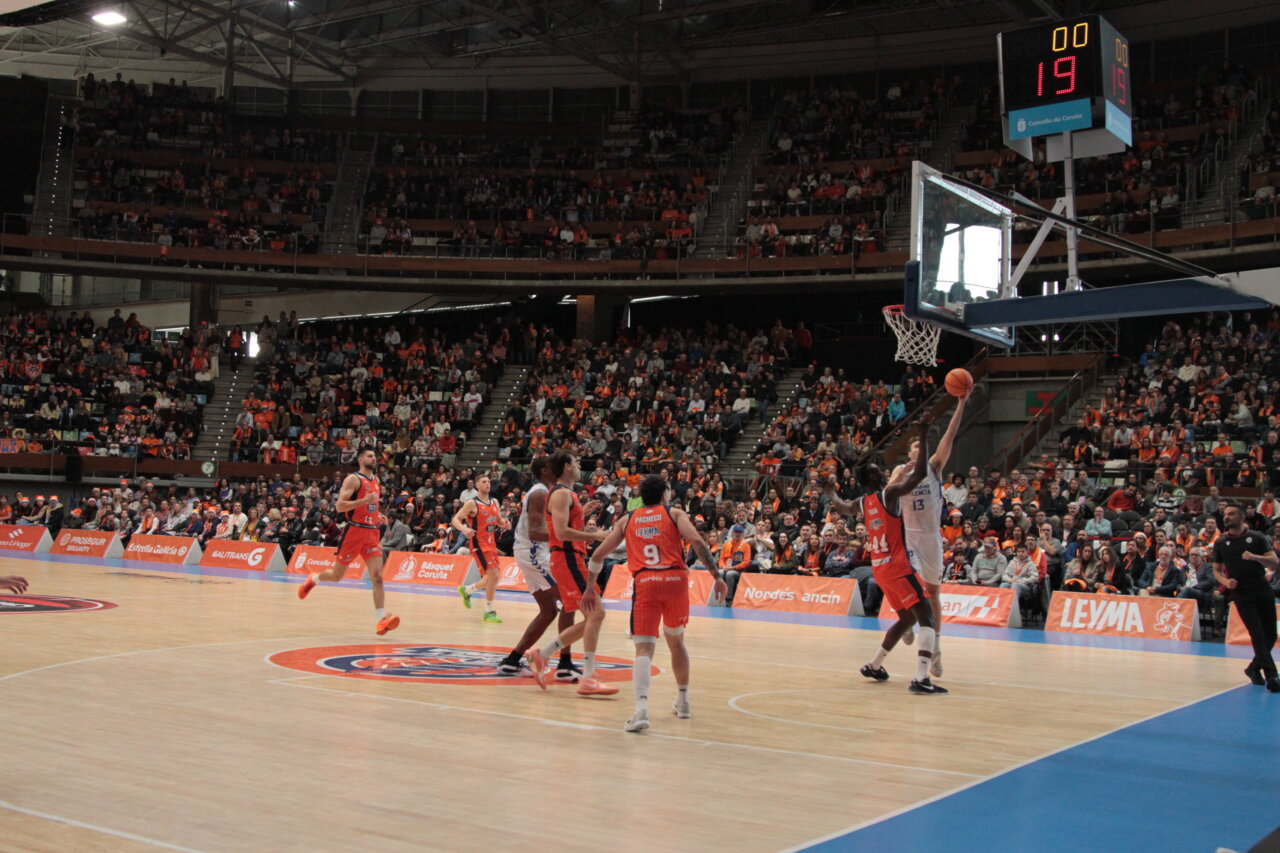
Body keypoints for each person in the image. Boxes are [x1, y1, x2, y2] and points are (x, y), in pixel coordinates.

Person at [583, 474, 728, 732]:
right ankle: (683, 701)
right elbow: (696, 541)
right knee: (676, 641)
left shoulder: (627, 519)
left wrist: (590, 588)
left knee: (644, 649)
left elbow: (597, 555)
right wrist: (716, 575)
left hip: (646, 583)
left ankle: (641, 710)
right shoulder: (674, 514)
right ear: (665, 494)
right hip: (675, 580)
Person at [830, 415, 945, 693]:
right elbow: (919, 474)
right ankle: (921, 678)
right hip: (897, 565)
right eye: (877, 473)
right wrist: (925, 433)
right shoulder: (889, 494)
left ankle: (875, 664)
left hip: (880, 569)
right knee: (926, 616)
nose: (883, 474)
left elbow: (841, 506)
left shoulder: (863, 502)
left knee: (906, 618)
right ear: (873, 478)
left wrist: (827, 492)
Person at [887, 387, 969, 676]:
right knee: (904, 584)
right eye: (915, 449)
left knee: (933, 595)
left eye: (922, 448)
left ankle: (936, 649)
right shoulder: (901, 471)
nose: (919, 451)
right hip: (908, 535)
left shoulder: (934, 466)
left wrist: (962, 402)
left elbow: (949, 435)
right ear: (909, 453)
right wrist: (898, 476)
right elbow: (887, 495)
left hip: (931, 538)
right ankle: (905, 619)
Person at [525, 451, 616, 697]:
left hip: (570, 559)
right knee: (596, 614)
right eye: (575, 462)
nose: (578, 466)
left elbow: (565, 526)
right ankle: (588, 678)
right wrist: (595, 535)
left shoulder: (567, 495)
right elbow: (562, 533)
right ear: (566, 467)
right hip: (566, 559)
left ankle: (542, 655)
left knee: (593, 617)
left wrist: (581, 513)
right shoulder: (562, 494)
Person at [296, 446, 398, 636]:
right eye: (369, 456)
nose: (373, 459)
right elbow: (340, 506)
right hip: (354, 532)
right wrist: (364, 500)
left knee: (377, 576)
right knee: (337, 575)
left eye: (374, 456)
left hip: (371, 533)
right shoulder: (353, 479)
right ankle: (314, 579)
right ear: (360, 460)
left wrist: (378, 515)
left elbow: (369, 505)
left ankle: (380, 621)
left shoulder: (375, 480)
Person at [495, 456, 579, 681]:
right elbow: (535, 532)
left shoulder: (545, 491)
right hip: (533, 552)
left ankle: (512, 661)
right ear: (544, 470)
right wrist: (568, 535)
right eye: (554, 465)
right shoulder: (541, 492)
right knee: (570, 602)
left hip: (532, 553)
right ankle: (565, 664)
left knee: (550, 611)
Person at [1212, 503, 1280, 691]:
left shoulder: (1256, 537)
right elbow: (1216, 571)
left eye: (1231, 514)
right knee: (1257, 635)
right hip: (1241, 593)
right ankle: (1273, 676)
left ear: (1242, 517)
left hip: (1262, 589)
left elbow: (1274, 562)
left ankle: (1252, 668)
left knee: (1271, 635)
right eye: (1225, 514)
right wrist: (1226, 583)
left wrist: (1255, 557)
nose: (1226, 517)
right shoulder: (1220, 542)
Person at [452, 473, 510, 623]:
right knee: (492, 574)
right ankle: (489, 611)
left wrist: (504, 523)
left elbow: (497, 521)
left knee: (494, 577)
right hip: (479, 544)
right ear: (477, 485)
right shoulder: (472, 503)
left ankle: (468, 590)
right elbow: (455, 519)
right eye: (483, 481)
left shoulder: (494, 502)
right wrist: (465, 530)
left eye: (488, 482)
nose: (487, 484)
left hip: (491, 544)